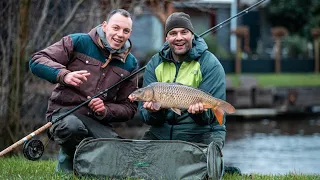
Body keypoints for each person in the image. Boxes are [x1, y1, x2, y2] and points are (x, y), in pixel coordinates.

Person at [29, 9, 138, 172]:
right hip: (64, 113)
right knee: (72, 128)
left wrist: (105, 110)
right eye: (116, 28)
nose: (120, 34)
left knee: (117, 153)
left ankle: (86, 167)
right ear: (105, 26)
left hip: (97, 121)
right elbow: (36, 61)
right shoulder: (78, 41)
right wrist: (63, 75)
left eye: (126, 31)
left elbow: (129, 108)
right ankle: (67, 164)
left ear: (130, 33)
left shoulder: (131, 64)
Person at [139, 12, 239, 176]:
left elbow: (211, 120)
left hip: (201, 132)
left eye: (184, 32)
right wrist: (153, 111)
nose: (179, 37)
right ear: (166, 38)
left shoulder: (210, 64)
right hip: (163, 132)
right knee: (143, 168)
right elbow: (145, 116)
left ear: (192, 34)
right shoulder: (154, 63)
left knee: (195, 173)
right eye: (173, 33)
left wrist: (200, 114)